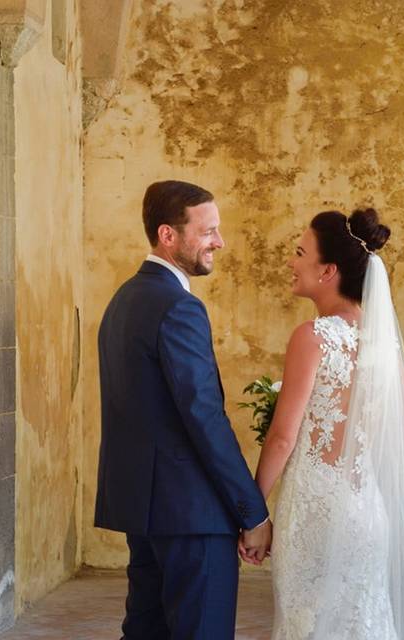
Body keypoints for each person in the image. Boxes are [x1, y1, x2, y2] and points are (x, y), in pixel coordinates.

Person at [247, 208, 404, 640]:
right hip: (366, 511)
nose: (290, 261)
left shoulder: (313, 336)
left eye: (299, 252)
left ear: (327, 271)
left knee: (307, 624)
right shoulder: (384, 342)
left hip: (315, 515)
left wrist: (253, 511)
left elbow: (284, 437)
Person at [94, 180, 271, 640]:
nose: (219, 241)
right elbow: (205, 418)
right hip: (192, 514)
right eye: (208, 230)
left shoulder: (123, 300)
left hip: (146, 510)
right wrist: (252, 513)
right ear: (168, 235)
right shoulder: (179, 307)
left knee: (145, 632)